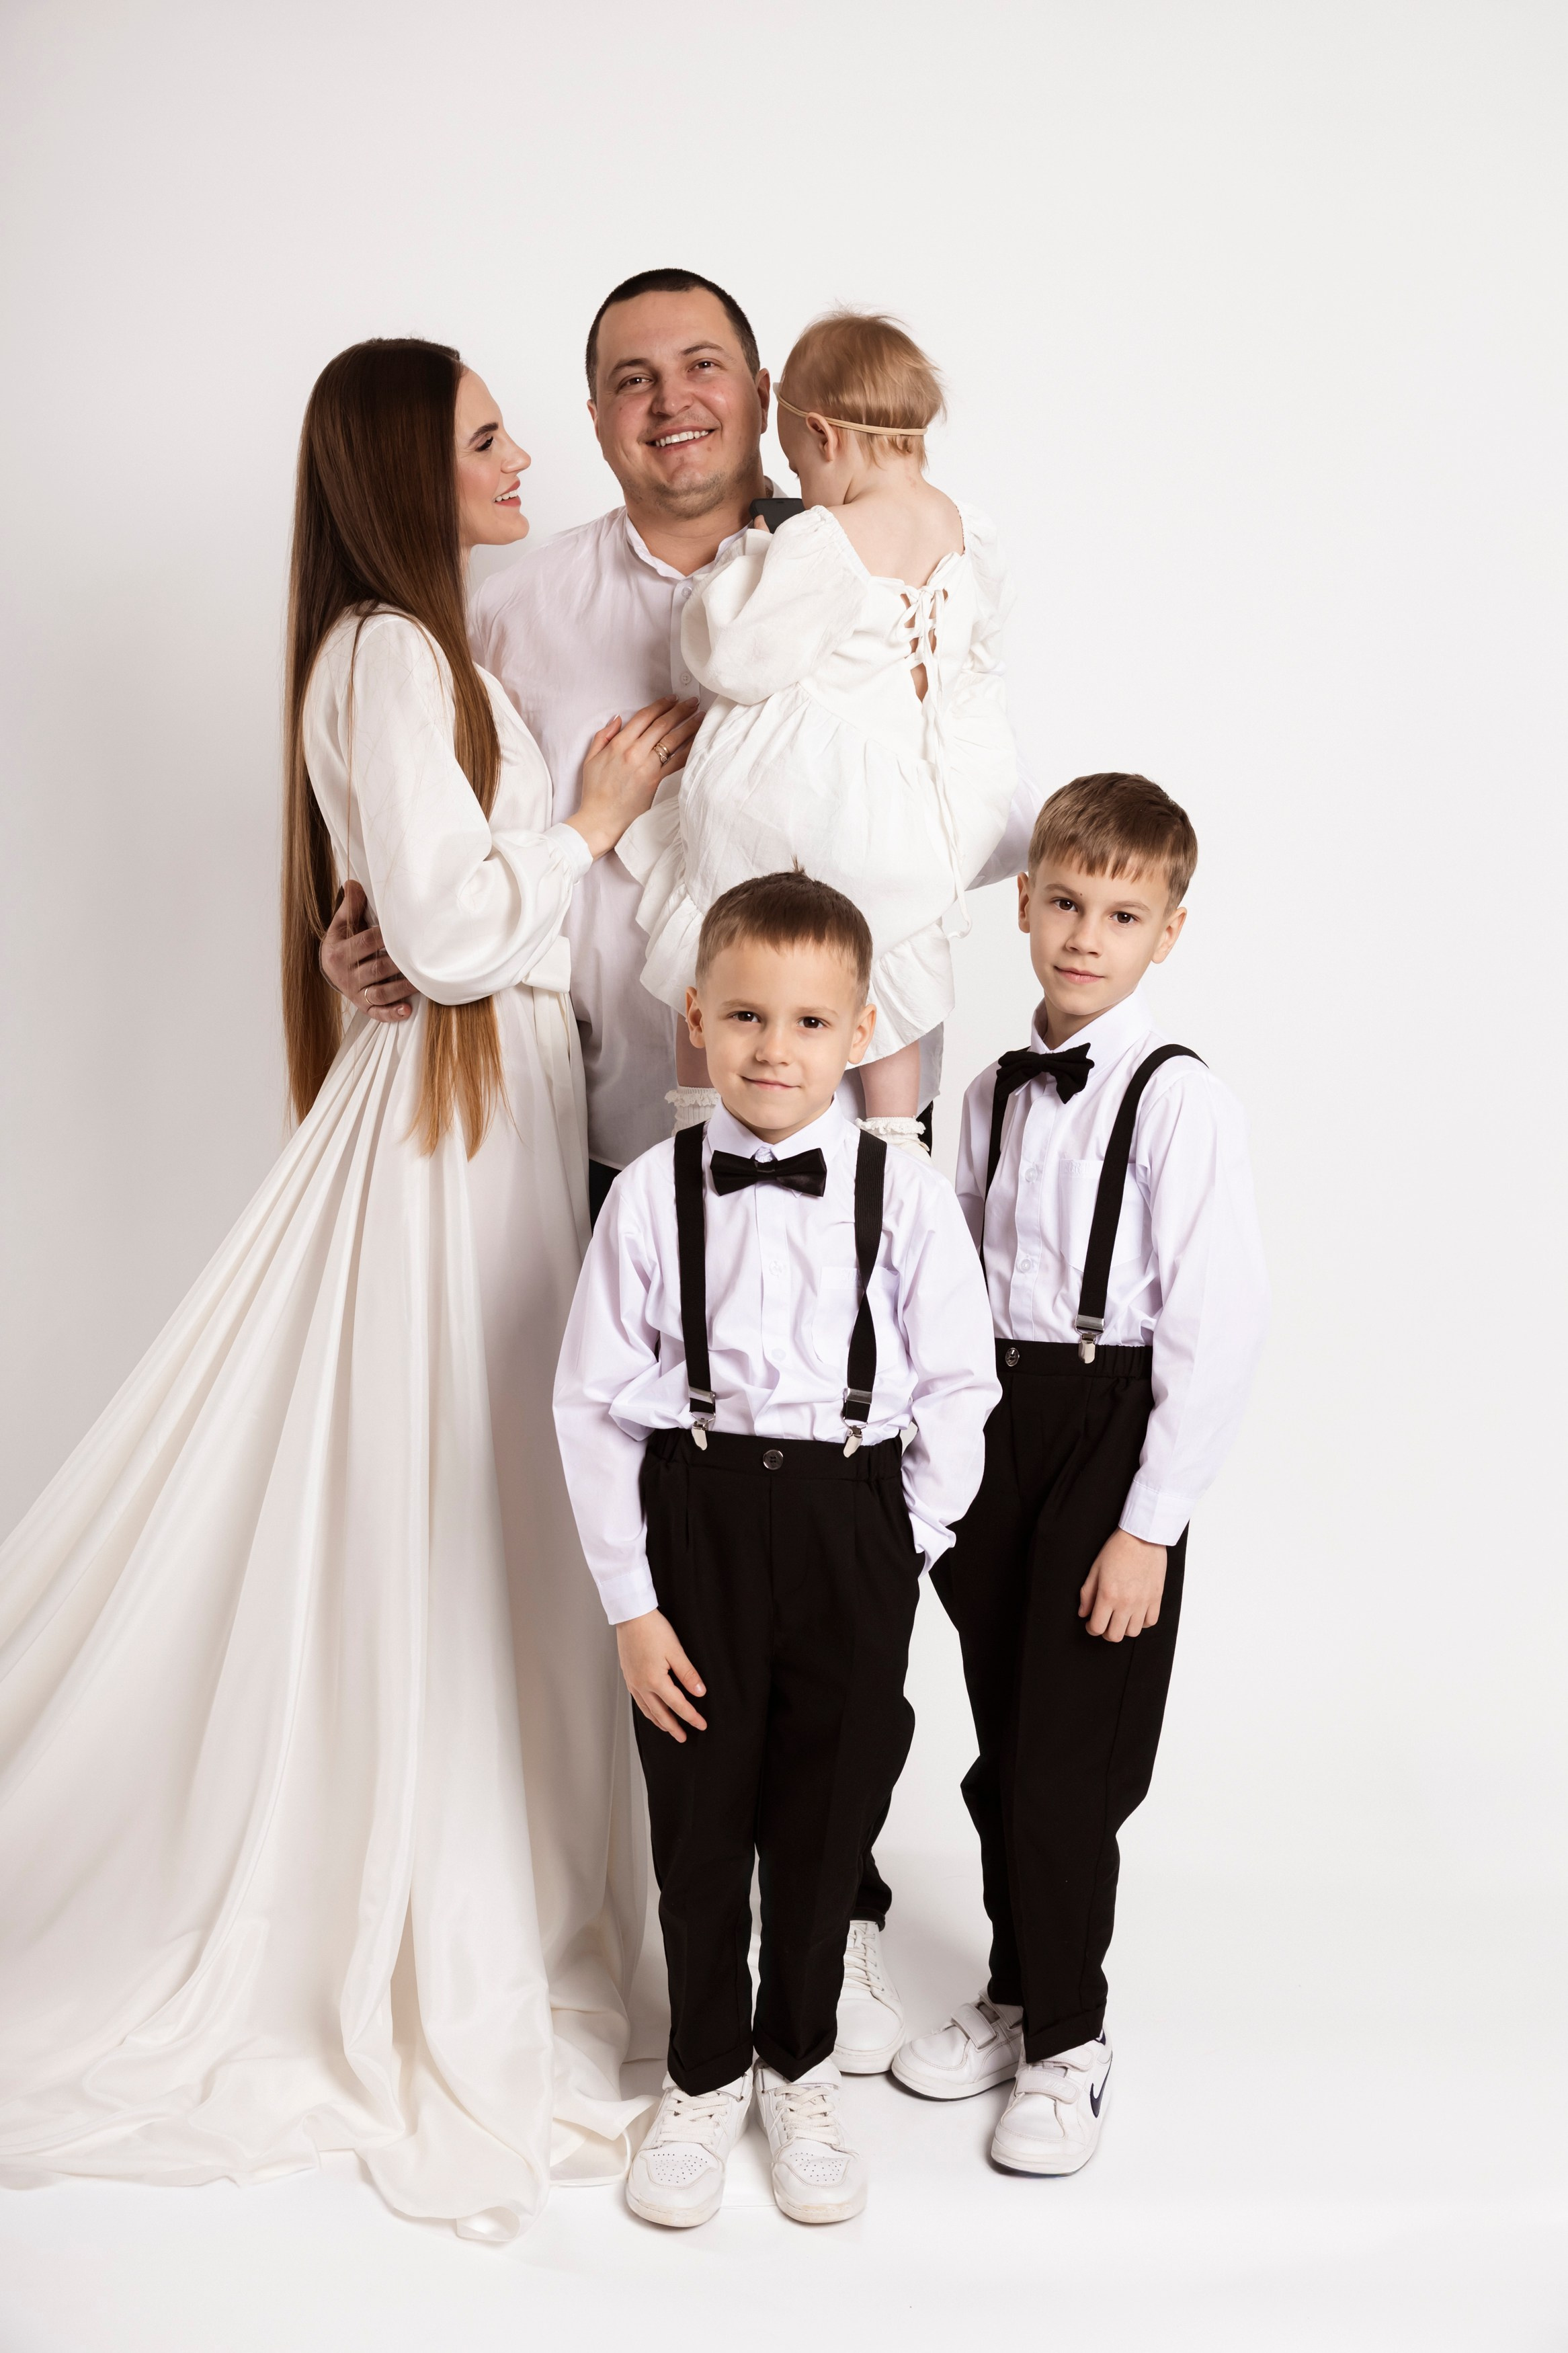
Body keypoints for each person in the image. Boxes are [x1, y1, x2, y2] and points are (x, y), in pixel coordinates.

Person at [0, 339, 696, 2238]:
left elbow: (424, 901)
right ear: (402, 469)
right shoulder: (390, 653)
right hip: (455, 1133)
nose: (521, 455)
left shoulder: (425, 654)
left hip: (500, 1110)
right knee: (461, 1489)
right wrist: (587, 822)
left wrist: (425, 898)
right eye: (484, 436)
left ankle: (522, 1881)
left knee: (503, 1488)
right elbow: (456, 931)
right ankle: (441, 1896)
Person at [321, 266, 1038, 2065]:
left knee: (844, 1575)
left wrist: (1073, 867)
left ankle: (834, 1913)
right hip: (602, 1142)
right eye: (630, 378)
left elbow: (954, 794)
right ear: (594, 413)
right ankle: (656, 1928)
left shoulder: (859, 552)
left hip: (847, 1151)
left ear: (767, 396)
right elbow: (449, 834)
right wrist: (371, 928)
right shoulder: (506, 605)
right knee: (646, 1564)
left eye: (704, 365)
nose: (672, 402)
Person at [552, 873, 999, 2227]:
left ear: (859, 1032)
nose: (772, 1048)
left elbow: (959, 1384)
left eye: (808, 1023)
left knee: (823, 1820)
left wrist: (903, 1544)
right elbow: (587, 1402)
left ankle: (796, 2064)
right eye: (744, 1015)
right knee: (698, 1824)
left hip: (849, 1521)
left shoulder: (901, 1193)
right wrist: (631, 1604)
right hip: (692, 1517)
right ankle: (700, 2073)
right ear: (695, 1017)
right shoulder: (649, 1194)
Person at [891, 772, 1269, 2173]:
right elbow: (949, 1284)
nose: (1084, 936)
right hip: (997, 1420)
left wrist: (1147, 1525)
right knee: (1007, 1740)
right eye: (1063, 902)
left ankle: (1069, 2043)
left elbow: (1218, 1328)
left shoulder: (1178, 1101)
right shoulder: (988, 1094)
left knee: (1070, 1758)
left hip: (1110, 1430)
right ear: (1021, 904)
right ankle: (1013, 1991)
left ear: (1167, 931)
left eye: (1120, 914)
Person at [621, 311, 1018, 1158]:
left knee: (711, 921)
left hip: (818, 798)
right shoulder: (964, 528)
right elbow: (978, 655)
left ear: (825, 437)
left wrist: (748, 560)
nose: (803, 485)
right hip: (918, 809)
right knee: (891, 952)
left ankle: (697, 1117)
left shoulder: (824, 540)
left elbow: (738, 656)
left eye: (800, 467)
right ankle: (895, 1135)